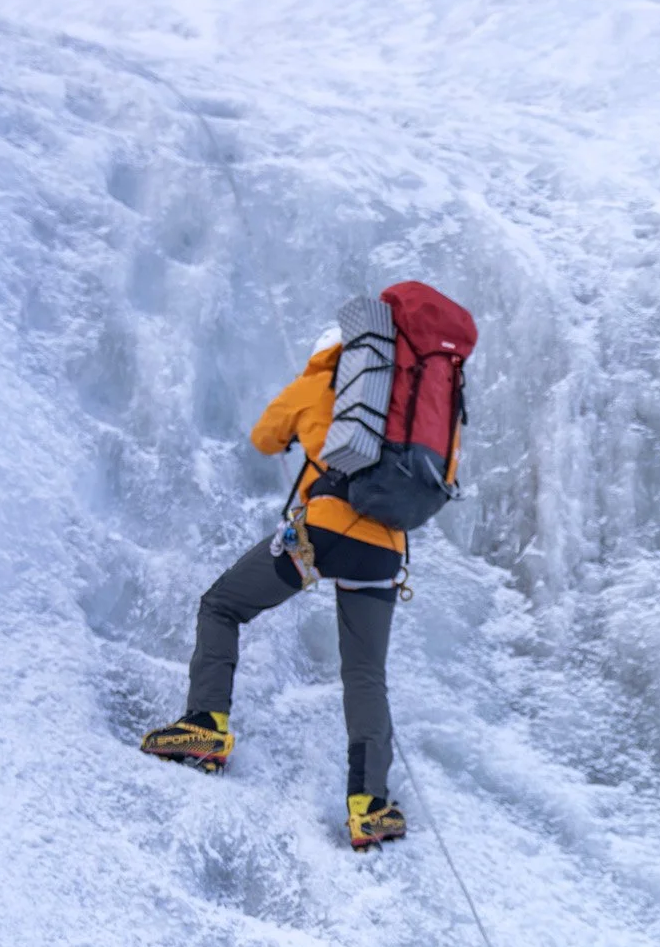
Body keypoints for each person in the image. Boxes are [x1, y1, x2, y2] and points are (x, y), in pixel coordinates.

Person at [140, 289, 471, 848]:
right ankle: (370, 807)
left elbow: (264, 437)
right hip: (386, 548)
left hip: (322, 532)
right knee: (366, 674)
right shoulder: (423, 402)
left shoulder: (321, 381)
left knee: (221, 605)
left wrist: (304, 424)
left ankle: (205, 725)